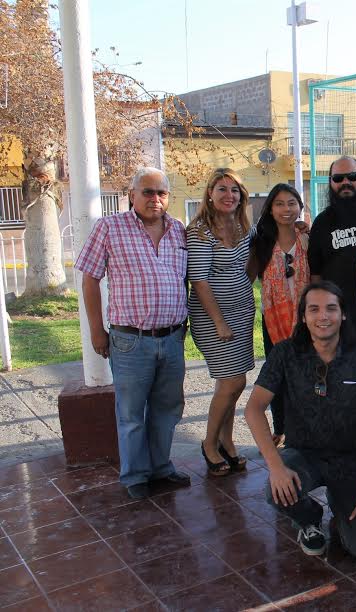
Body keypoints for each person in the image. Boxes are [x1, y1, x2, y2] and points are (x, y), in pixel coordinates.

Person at [244, 281, 356, 559]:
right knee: (277, 490)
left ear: (343, 314)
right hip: (303, 455)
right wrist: (276, 467)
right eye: (314, 309)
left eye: (331, 308)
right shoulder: (285, 353)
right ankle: (309, 519)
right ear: (303, 316)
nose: (323, 316)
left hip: (351, 461)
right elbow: (253, 409)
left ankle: (343, 502)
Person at [74, 167, 190, 499]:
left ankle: (160, 467)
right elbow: (90, 279)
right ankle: (135, 475)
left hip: (171, 338)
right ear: (132, 194)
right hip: (130, 340)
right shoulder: (110, 227)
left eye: (162, 193)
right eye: (148, 192)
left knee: (167, 408)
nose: (155, 199)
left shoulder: (179, 231)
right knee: (131, 413)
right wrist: (96, 331)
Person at [187, 168, 255, 476]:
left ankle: (227, 440)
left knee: (231, 383)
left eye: (235, 190)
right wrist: (219, 322)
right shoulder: (200, 231)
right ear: (210, 195)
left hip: (241, 311)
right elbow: (199, 281)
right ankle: (210, 443)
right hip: (214, 318)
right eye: (222, 189)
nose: (229, 195)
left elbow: (251, 261)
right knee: (233, 381)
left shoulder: (241, 226)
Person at [249, 183, 311, 446]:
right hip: (274, 318)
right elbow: (247, 275)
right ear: (271, 209)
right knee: (278, 372)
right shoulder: (261, 240)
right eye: (279, 204)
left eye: (291, 203)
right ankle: (281, 427)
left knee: (308, 372)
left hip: (306, 317)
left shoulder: (307, 237)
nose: (286, 209)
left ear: (300, 206)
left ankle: (307, 426)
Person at [307, 156, 356, 339]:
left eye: (352, 176)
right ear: (330, 182)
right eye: (338, 178)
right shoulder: (322, 222)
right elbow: (316, 275)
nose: (346, 182)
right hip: (341, 319)